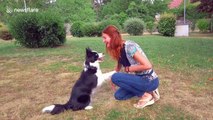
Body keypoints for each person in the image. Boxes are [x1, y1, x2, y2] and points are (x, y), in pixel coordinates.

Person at [102, 25, 160, 109]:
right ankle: (150, 92)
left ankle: (146, 95)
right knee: (118, 95)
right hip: (138, 79)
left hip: (149, 79)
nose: (103, 41)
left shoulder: (129, 47)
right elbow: (119, 62)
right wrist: (114, 75)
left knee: (115, 77)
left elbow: (148, 65)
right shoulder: (119, 48)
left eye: (104, 38)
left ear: (113, 37)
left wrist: (129, 69)